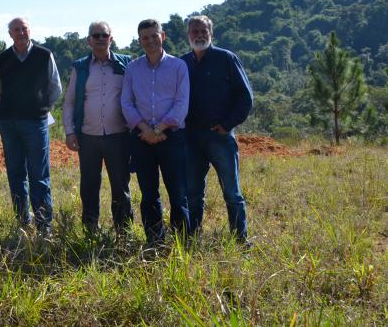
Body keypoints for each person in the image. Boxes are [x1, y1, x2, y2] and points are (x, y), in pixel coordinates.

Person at [181, 15, 253, 243]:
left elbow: (245, 97)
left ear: (211, 33)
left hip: (219, 137)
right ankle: (192, 236)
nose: (199, 35)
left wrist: (227, 124)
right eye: (195, 31)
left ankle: (240, 239)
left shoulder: (226, 59)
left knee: (232, 192)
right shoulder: (182, 63)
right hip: (191, 138)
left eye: (204, 31)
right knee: (192, 193)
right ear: (188, 35)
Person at [121, 19, 191, 246]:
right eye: (145, 38)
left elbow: (181, 103)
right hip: (142, 139)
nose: (150, 41)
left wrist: (159, 129)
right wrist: (145, 130)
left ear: (163, 36)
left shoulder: (179, 66)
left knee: (178, 193)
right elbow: (126, 103)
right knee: (149, 194)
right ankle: (155, 241)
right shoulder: (133, 68)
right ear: (140, 40)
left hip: (171, 137)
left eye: (154, 36)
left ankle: (182, 242)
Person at [62, 21, 134, 234]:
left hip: (118, 136)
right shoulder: (80, 67)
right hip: (88, 137)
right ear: (89, 40)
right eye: (96, 35)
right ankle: (90, 229)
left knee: (121, 186)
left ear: (111, 38)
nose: (101, 39)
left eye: (104, 35)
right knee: (89, 186)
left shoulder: (126, 64)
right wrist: (69, 131)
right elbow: (70, 102)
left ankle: (123, 231)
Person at [0, 17, 62, 235]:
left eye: (24, 29)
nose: (21, 33)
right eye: (16, 30)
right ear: (10, 34)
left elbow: (55, 88)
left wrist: (40, 107)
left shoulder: (44, 55)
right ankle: (22, 220)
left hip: (36, 122)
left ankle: (44, 224)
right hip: (9, 123)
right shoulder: (2, 59)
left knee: (39, 174)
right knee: (15, 173)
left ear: (30, 30)